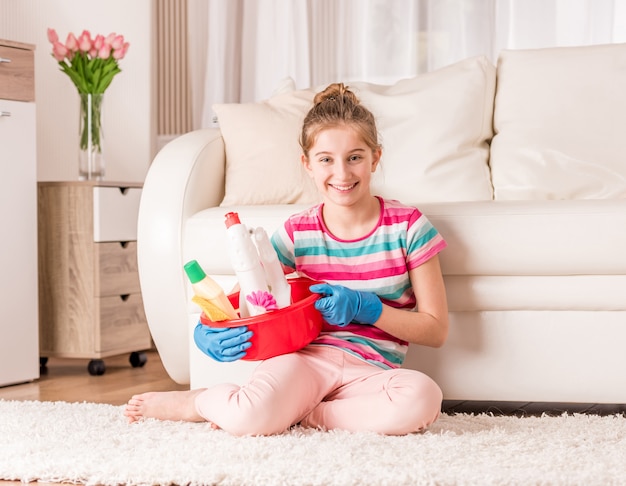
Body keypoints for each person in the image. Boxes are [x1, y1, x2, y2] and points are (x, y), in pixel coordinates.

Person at [124, 83, 449, 436]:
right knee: (249, 420)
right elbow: (247, 299)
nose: (342, 173)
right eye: (326, 160)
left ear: (376, 158)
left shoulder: (408, 227)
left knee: (422, 397)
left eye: (355, 157)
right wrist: (209, 330)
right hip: (301, 362)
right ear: (307, 165)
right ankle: (198, 402)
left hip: (370, 371)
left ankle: (300, 416)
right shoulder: (297, 232)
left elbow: (435, 330)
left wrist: (369, 309)